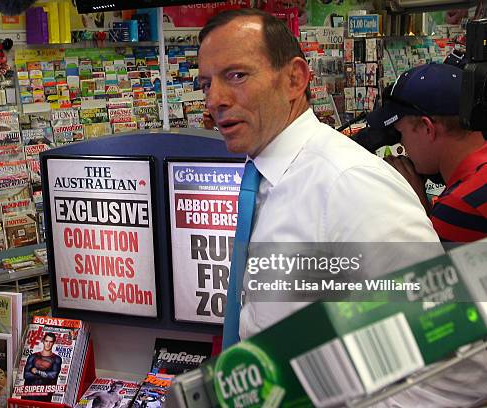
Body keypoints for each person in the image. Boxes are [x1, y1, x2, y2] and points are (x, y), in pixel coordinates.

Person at [197, 8, 484, 407]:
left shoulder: (349, 184)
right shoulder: (265, 176)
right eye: (206, 83)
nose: (215, 100)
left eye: (237, 76)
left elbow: (457, 373)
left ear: (295, 78)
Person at [368, 63, 486, 243]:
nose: (402, 144)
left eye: (400, 133)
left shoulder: (460, 206)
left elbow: (437, 268)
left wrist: (415, 207)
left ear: (427, 128)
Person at [24, 332, 62, 401]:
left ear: (53, 343)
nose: (48, 344)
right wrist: (45, 375)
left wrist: (36, 372)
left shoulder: (56, 358)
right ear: (43, 341)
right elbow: (26, 375)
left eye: (50, 342)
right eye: (46, 341)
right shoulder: (33, 356)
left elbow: (53, 375)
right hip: (29, 395)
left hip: (45, 397)